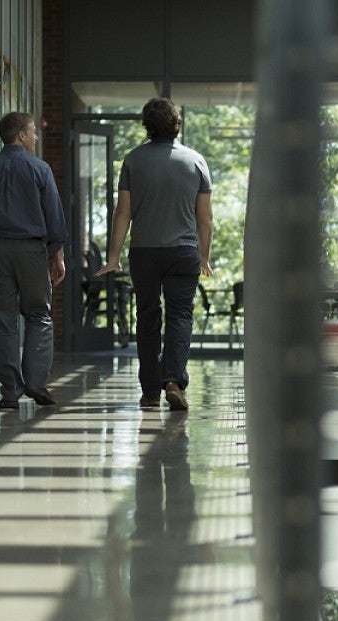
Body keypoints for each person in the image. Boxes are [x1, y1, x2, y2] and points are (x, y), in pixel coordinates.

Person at [97, 97, 213, 411]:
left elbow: (123, 213)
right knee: (180, 317)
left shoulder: (133, 160)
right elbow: (205, 219)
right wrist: (204, 256)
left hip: (144, 252)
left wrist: (113, 256)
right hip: (184, 251)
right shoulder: (196, 161)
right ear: (177, 124)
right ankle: (173, 381)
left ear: (147, 126)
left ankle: (150, 391)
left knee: (148, 318)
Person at [0, 112, 68, 411]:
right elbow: (54, 216)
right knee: (38, 315)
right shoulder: (40, 169)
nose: (36, 136)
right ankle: (35, 383)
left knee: (2, 321)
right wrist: (56, 255)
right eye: (33, 131)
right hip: (32, 252)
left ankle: (10, 392)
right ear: (20, 135)